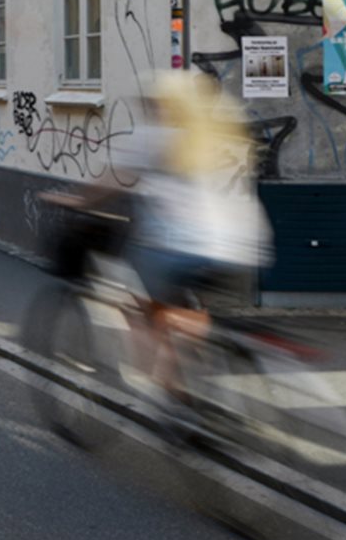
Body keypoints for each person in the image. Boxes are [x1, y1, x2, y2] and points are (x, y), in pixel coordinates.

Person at [68, 72, 272, 410]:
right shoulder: (220, 135)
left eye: (154, 104)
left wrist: (77, 201)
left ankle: (162, 381)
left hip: (176, 243)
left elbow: (108, 184)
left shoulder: (151, 136)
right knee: (190, 307)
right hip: (242, 244)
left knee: (139, 302)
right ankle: (200, 361)